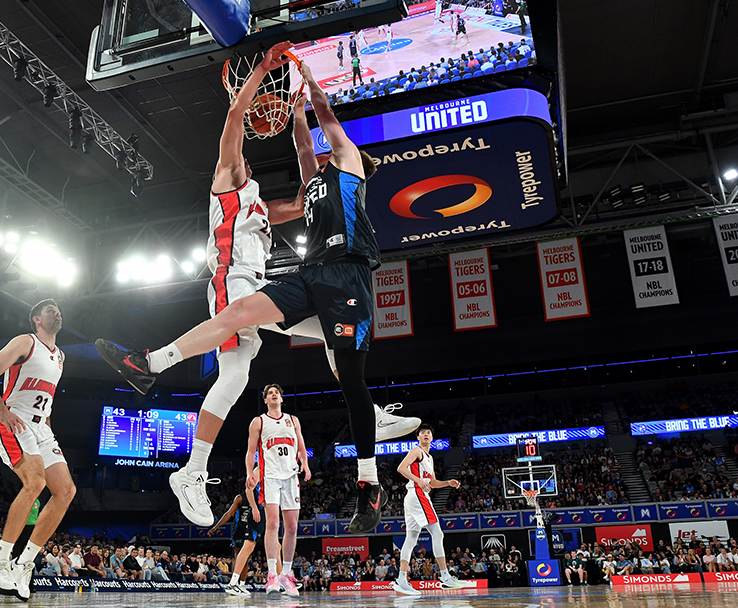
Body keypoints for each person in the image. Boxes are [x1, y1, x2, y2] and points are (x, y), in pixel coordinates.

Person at [96, 58, 390, 535]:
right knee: (236, 356)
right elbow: (280, 143)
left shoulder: (341, 171)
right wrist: (290, 106)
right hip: (261, 277)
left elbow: (319, 144)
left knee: (332, 357)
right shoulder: (235, 177)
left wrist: (309, 96)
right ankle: (153, 374)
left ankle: (367, 442)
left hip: (337, 277)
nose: (313, 160)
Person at [0, 299, 77, 602]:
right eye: (50, 310)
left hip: (42, 428)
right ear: (36, 319)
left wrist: (47, 427)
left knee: (66, 491)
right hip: (15, 420)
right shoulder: (25, 342)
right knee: (35, 483)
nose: (57, 312)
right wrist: (2, 411)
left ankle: (24, 564)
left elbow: (46, 399)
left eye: (59, 309)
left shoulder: (60, 356)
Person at [244, 383, 308, 596]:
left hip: (290, 475)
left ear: (281, 398)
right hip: (270, 476)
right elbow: (251, 451)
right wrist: (249, 472)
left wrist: (305, 464)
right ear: (265, 400)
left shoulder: (293, 420)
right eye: (269, 393)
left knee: (291, 527)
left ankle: (286, 575)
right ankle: (272, 574)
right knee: (273, 523)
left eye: (276, 393)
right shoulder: (258, 421)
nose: (273, 395)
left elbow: (301, 446)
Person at [393, 424, 468, 593]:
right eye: (422, 433)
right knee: (437, 532)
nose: (425, 434)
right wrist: (418, 480)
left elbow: (432, 483)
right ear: (418, 438)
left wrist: (448, 483)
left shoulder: (429, 458)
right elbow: (401, 468)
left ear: (432, 438)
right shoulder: (416, 451)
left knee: (411, 538)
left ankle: (402, 579)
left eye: (428, 433)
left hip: (414, 496)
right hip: (417, 493)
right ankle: (445, 575)